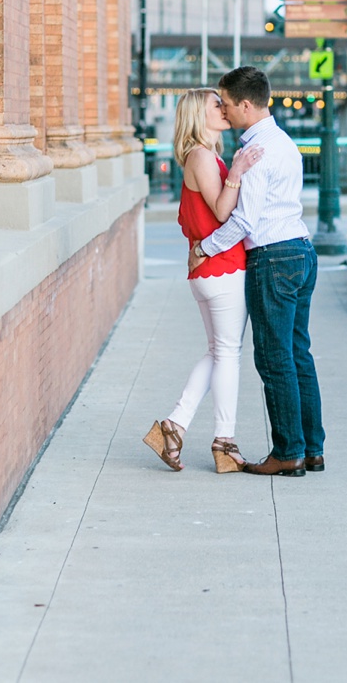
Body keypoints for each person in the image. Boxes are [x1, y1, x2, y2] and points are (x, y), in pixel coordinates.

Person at [189, 66, 325, 477]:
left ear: (246, 105)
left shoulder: (255, 152)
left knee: (273, 358)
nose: (224, 112)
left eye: (227, 105)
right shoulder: (282, 142)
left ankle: (288, 452)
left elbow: (244, 221)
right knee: (298, 352)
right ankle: (312, 447)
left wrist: (205, 248)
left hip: (274, 257)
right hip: (301, 251)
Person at [143, 88, 263, 473]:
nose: (224, 108)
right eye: (217, 105)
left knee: (217, 352)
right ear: (200, 114)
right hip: (223, 267)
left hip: (209, 269)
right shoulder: (202, 156)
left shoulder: (200, 157)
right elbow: (224, 212)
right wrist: (240, 172)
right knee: (228, 353)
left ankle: (173, 428)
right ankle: (224, 442)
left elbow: (190, 218)